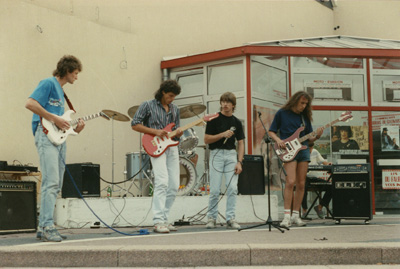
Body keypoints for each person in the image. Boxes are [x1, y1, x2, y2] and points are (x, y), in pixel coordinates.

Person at [25, 55, 85, 242]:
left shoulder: (61, 91)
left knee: (56, 184)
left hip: (58, 139)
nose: (76, 77)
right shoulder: (49, 83)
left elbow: (60, 123)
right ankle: (47, 225)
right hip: (44, 136)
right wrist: (53, 118)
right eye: (75, 73)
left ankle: (45, 226)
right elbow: (30, 103)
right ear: (67, 71)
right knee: (51, 182)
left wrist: (76, 129)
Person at [131, 79, 183, 233]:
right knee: (162, 182)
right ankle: (158, 220)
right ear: (163, 92)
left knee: (174, 185)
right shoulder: (147, 105)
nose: (172, 99)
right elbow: (134, 124)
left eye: (174, 97)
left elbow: (176, 131)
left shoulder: (175, 109)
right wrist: (155, 132)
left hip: (171, 147)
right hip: (155, 146)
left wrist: (178, 133)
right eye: (170, 96)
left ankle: (165, 219)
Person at [268, 91, 323, 228]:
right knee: (290, 182)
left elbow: (309, 137)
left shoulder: (304, 117)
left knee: (301, 183)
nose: (304, 106)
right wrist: (278, 140)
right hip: (288, 149)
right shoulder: (282, 113)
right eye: (302, 103)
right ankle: (286, 216)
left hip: (303, 150)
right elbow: (271, 131)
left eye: (306, 104)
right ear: (295, 101)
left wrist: (316, 137)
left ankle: (296, 215)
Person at [204, 92, 245, 230]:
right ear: (220, 103)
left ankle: (230, 218)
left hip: (231, 155)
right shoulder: (214, 119)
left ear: (233, 105)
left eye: (228, 102)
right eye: (223, 101)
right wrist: (222, 134)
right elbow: (206, 139)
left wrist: (239, 161)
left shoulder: (237, 122)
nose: (225, 104)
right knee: (215, 189)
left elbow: (241, 143)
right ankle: (211, 217)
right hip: (216, 153)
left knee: (232, 187)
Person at [301, 141, 332, 219]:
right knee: (302, 186)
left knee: (331, 186)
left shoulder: (315, 152)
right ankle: (304, 210)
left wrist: (328, 164)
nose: (310, 150)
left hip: (314, 178)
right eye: (308, 148)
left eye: (311, 148)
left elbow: (323, 161)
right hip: (304, 178)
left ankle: (320, 207)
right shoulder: (301, 152)